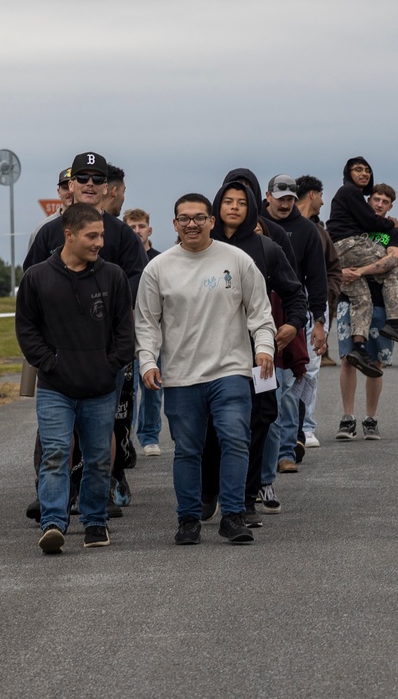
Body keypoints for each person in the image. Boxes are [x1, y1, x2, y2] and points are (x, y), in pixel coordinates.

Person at [134, 193, 276, 545]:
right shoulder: (158, 268)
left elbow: (261, 313)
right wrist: (148, 361)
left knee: (235, 438)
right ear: (175, 225)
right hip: (182, 375)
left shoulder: (237, 260)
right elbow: (147, 323)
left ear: (212, 221)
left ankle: (232, 515)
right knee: (188, 449)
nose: (192, 224)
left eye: (199, 217)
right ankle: (188, 520)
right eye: (184, 219)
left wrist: (263, 349)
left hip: (230, 370)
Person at [15, 203, 135, 554]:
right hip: (55, 388)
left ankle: (95, 523)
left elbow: (124, 332)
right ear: (69, 235)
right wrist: (49, 364)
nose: (100, 242)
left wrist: (108, 365)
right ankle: (53, 523)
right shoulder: (37, 277)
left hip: (100, 388)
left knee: (99, 457)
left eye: (102, 235)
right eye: (92, 236)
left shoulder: (112, 276)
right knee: (56, 452)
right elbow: (27, 329)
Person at [201, 180, 307, 524]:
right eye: (228, 201)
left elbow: (294, 292)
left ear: (251, 209)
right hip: (211, 352)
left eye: (242, 203)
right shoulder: (201, 245)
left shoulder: (266, 248)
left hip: (259, 352)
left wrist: (292, 323)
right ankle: (209, 491)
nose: (234, 207)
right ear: (217, 206)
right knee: (214, 425)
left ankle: (246, 498)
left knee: (260, 419)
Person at [260, 174, 327, 477]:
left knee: (289, 385)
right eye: (280, 197)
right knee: (263, 386)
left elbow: (317, 276)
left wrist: (318, 321)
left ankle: (287, 450)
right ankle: (263, 452)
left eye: (290, 198)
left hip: (292, 312)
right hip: (259, 312)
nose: (285, 203)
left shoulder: (307, 230)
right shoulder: (255, 223)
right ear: (268, 196)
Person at [326, 156, 398, 372]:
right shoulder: (350, 192)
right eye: (358, 170)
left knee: (361, 299)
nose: (364, 173)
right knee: (393, 268)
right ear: (348, 173)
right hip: (350, 245)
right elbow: (371, 221)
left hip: (342, 253)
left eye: (367, 170)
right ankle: (395, 323)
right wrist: (390, 223)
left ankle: (358, 346)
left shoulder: (351, 199)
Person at [335, 185, 398, 440]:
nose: (379, 204)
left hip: (380, 304)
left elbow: (393, 259)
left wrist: (361, 270)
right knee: (348, 358)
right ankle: (347, 417)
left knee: (375, 362)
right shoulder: (354, 226)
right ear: (367, 201)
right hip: (350, 300)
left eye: (385, 201)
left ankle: (371, 418)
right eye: (376, 199)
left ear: (390, 207)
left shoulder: (392, 233)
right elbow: (336, 254)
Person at [294, 175, 341, 449]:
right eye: (321, 195)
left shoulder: (321, 231)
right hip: (284, 305)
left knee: (311, 368)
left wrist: (327, 293)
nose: (323, 200)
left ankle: (306, 426)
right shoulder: (273, 226)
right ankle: (282, 426)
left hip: (315, 306)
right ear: (312, 194)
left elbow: (333, 267)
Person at [123, 207, 164, 456]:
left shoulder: (160, 260)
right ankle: (124, 437)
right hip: (127, 329)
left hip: (154, 330)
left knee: (152, 385)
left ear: (149, 229)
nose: (137, 231)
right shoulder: (122, 257)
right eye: (132, 227)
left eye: (140, 227)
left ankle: (149, 436)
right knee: (128, 388)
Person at [27, 168, 73, 250]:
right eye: (65, 187)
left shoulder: (93, 224)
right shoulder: (43, 229)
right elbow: (33, 262)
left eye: (72, 187)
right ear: (59, 192)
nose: (69, 192)